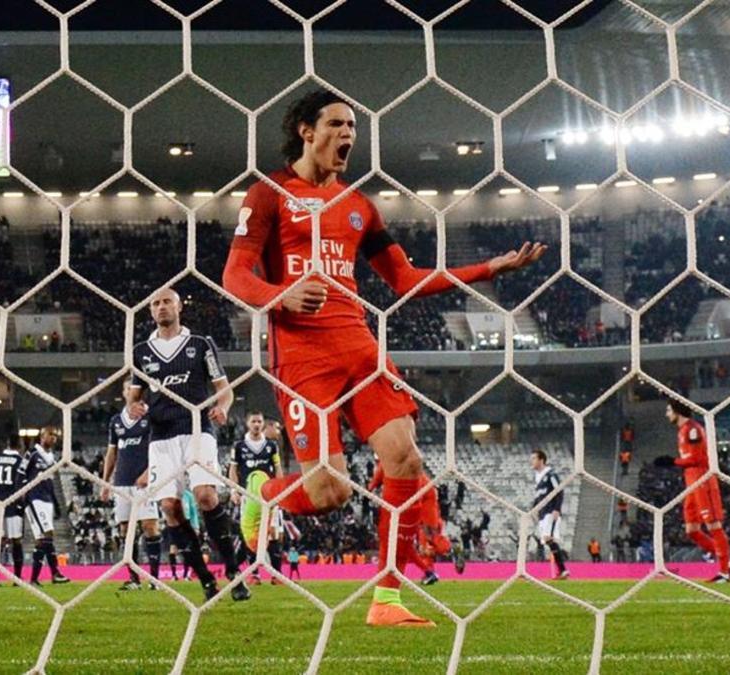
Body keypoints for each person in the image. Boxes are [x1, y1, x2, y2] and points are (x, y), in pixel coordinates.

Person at [222, 88, 545, 627]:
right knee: (329, 492)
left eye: (353, 126)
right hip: (302, 357)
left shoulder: (358, 206)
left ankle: (387, 600)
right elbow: (234, 275)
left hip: (361, 347)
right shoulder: (268, 194)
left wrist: (486, 271)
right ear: (306, 130)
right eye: (336, 124)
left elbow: (405, 280)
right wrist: (279, 296)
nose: (348, 134)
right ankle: (263, 491)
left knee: (405, 460)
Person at [130, 287, 247, 601]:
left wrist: (223, 407)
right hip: (160, 438)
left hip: (196, 429)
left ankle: (235, 571)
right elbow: (134, 394)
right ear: (150, 311)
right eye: (155, 303)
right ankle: (206, 579)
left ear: (179, 306)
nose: (161, 307)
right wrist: (133, 406)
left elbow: (225, 389)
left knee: (206, 496)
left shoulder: (200, 344)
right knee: (169, 508)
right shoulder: (141, 350)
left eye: (167, 301)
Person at [654, 400, 730, 583]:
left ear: (678, 411)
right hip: (691, 482)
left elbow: (697, 457)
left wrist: (672, 462)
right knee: (691, 530)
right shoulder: (682, 431)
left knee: (713, 526)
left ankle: (724, 573)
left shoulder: (693, 429)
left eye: (668, 410)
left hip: (703, 480)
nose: (666, 414)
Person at [101, 381, 161, 590]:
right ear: (124, 393)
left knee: (150, 527)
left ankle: (154, 579)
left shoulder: (150, 417)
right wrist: (105, 481)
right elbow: (112, 453)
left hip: (145, 481)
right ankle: (134, 579)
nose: (133, 392)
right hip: (122, 481)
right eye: (128, 389)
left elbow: (158, 447)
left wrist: (148, 472)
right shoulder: (116, 421)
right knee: (126, 530)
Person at [229, 410, 284, 582]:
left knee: (273, 532)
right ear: (247, 423)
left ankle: (276, 575)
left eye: (259, 422)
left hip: (269, 496)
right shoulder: (239, 446)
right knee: (251, 534)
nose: (257, 425)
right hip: (249, 496)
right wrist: (234, 490)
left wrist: (280, 490)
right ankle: (254, 574)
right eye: (253, 421)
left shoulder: (271, 446)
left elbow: (277, 469)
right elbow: (233, 470)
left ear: (263, 424)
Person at [18, 427, 68, 585]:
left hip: (47, 499)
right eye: (50, 435)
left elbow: (51, 482)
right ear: (42, 436)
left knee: (41, 540)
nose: (53, 438)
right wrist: (23, 494)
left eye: (55, 436)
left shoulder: (52, 458)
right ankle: (55, 573)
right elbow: (21, 472)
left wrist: (57, 504)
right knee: (48, 533)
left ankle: (34, 579)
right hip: (35, 498)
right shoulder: (32, 453)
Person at [0, 435, 26, 584]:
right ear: (19, 445)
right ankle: (17, 578)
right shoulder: (20, 461)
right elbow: (22, 485)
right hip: (13, 505)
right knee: (16, 541)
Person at [531, 450, 569, 580]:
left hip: (550, 511)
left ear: (541, 460)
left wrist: (557, 509)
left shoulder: (550, 474)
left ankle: (563, 570)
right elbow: (538, 497)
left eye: (534, 459)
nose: (532, 462)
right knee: (548, 540)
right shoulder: (537, 477)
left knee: (548, 538)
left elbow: (559, 490)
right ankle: (562, 570)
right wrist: (534, 509)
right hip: (542, 513)